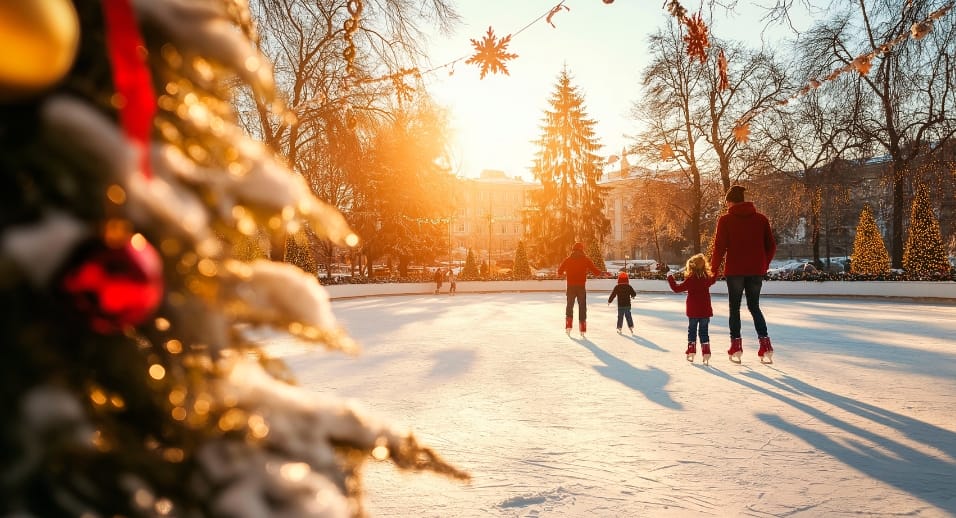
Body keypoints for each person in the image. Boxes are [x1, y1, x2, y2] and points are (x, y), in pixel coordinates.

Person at [709, 185, 777, 364]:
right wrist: (763, 264)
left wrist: (713, 270)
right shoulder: (761, 219)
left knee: (734, 308)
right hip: (756, 272)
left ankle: (736, 346)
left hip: (735, 271)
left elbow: (719, 248)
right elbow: (771, 246)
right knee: (754, 307)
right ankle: (765, 345)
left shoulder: (725, 220)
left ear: (730, 202)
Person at [667, 254, 717, 364]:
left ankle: (691, 350)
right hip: (705, 311)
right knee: (704, 332)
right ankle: (706, 351)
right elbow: (714, 278)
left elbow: (676, 288)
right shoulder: (707, 279)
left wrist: (670, 277)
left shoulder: (691, 280)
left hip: (693, 311)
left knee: (692, 330)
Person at [557, 242, 602, 337]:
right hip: (581, 286)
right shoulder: (586, 260)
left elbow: (559, 271)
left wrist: (566, 273)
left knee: (570, 305)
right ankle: (582, 328)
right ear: (582, 249)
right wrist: (602, 273)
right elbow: (595, 271)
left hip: (570, 286)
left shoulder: (568, 260)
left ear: (573, 250)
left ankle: (568, 325)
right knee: (582, 307)